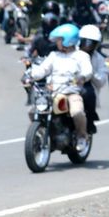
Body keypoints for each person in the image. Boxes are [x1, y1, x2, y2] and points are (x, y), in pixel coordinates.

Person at [30, 23, 92, 153]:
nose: (57, 42)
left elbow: (88, 70)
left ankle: (82, 136)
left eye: (59, 40)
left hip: (71, 92)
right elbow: (43, 69)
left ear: (68, 40)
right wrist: (32, 74)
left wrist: (82, 77)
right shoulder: (54, 55)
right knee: (33, 111)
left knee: (77, 111)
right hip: (53, 92)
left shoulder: (81, 56)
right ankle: (44, 135)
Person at [78, 25, 107, 135]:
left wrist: (91, 73)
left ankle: (90, 121)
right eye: (86, 42)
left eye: (92, 43)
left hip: (86, 85)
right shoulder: (72, 52)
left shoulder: (98, 58)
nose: (88, 45)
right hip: (68, 83)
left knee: (88, 94)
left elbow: (101, 81)